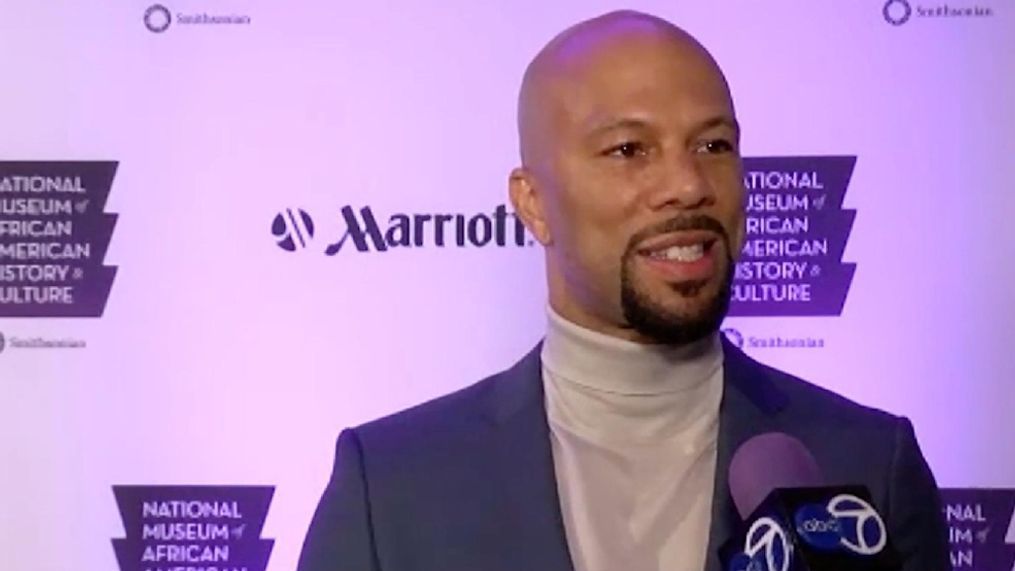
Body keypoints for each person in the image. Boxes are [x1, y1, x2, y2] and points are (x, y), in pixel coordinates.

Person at [297, 10, 949, 571]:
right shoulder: (388, 487)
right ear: (532, 202)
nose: (688, 184)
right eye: (629, 149)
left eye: (714, 144)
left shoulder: (867, 465)